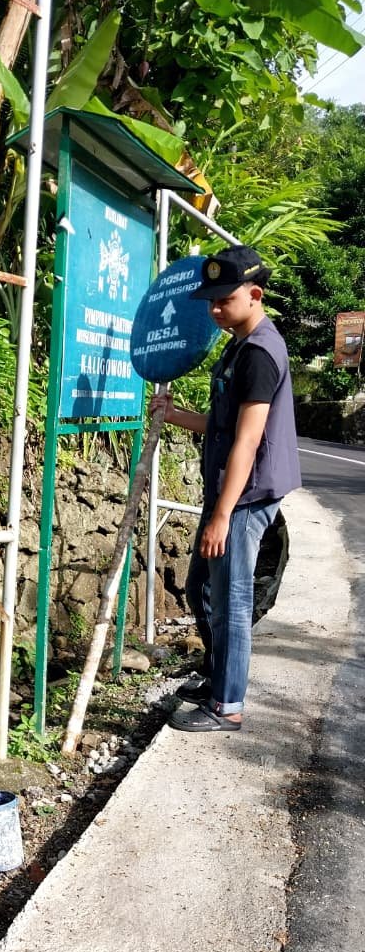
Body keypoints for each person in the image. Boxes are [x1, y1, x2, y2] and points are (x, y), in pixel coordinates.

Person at [150, 245, 301, 733]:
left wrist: (221, 515)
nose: (215, 309)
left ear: (254, 295)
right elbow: (221, 423)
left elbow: (248, 439)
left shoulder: (258, 353)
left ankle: (227, 705)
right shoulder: (239, 343)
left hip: (245, 496)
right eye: (210, 301)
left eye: (225, 300)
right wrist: (174, 416)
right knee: (201, 589)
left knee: (230, 597)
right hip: (230, 493)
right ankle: (217, 676)